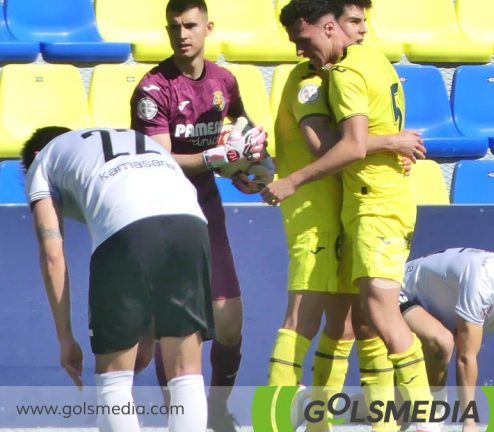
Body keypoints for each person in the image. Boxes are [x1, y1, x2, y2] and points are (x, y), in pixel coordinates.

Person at [265, 1, 437, 430]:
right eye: (355, 22)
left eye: (363, 22)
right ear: (334, 24)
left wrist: (384, 144)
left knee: (358, 323)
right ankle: (275, 419)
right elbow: (329, 146)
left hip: (356, 206)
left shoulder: (349, 69)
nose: (362, 31)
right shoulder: (313, 80)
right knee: (320, 323)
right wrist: (391, 142)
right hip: (317, 213)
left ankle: (372, 422)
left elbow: (350, 143)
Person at [22, 127, 215, 432]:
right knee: (186, 374)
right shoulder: (127, 141)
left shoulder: (42, 160)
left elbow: (52, 255)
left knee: (114, 381)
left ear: (33, 156)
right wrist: (148, 336)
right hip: (191, 225)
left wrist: (65, 338)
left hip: (124, 232)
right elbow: (156, 223)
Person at [129, 1, 265, 430]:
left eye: (190, 25)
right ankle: (179, 419)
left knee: (229, 325)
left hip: (207, 209)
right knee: (174, 330)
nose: (182, 34)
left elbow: (244, 132)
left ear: (208, 27)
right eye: (174, 27)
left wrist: (247, 169)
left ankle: (219, 408)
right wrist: (218, 156)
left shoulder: (225, 81)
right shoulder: (153, 90)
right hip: (163, 214)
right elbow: (162, 160)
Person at [398, 248, 494, 431]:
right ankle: (430, 422)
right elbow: (465, 358)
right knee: (443, 342)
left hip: (438, 307)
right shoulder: (483, 282)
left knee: (398, 414)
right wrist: (469, 423)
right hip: (399, 290)